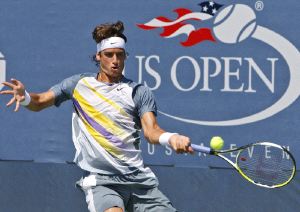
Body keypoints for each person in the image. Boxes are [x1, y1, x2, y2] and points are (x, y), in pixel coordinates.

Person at [0, 21, 193, 212]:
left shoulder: (139, 92)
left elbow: (152, 132)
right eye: (109, 55)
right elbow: (40, 101)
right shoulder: (78, 85)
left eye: (120, 55)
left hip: (139, 181)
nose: (115, 60)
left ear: (125, 56)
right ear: (98, 56)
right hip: (101, 181)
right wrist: (25, 97)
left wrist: (171, 138)